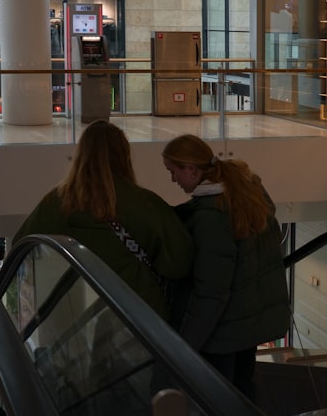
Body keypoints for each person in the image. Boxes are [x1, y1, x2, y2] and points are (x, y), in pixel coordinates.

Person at [13, 120, 193, 317]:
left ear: (81, 155)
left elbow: (21, 247)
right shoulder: (145, 203)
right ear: (124, 156)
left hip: (75, 318)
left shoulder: (56, 203)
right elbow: (179, 263)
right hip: (139, 318)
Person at [161, 134, 291, 402]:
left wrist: (185, 345)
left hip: (222, 333)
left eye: (173, 172)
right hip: (247, 325)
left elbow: (211, 291)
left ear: (192, 170)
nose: (173, 180)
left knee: (219, 408)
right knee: (243, 394)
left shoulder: (211, 218)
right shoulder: (245, 194)